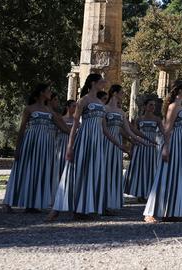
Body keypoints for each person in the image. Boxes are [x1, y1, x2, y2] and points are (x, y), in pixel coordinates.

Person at [48, 74, 126, 220]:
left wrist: (119, 145)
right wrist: (70, 147)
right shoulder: (83, 100)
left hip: (97, 142)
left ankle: (85, 208)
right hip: (84, 139)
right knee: (77, 172)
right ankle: (60, 209)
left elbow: (104, 129)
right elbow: (75, 125)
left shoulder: (101, 104)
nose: (104, 82)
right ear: (93, 83)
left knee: (92, 172)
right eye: (101, 81)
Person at [144, 80, 182, 222]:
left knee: (177, 177)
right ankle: (151, 212)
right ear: (179, 91)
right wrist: (165, 147)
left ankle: (173, 211)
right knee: (165, 175)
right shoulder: (173, 107)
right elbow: (167, 128)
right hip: (173, 144)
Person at [2, 84, 69, 213]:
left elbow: (63, 127)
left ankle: (32, 203)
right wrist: (17, 148)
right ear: (41, 93)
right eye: (48, 91)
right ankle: (8, 202)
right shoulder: (29, 109)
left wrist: (76, 134)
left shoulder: (50, 111)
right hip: (30, 143)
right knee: (24, 169)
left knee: (39, 171)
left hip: (45, 145)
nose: (50, 93)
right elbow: (22, 129)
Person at [103, 84, 153, 213]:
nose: (123, 95)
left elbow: (130, 131)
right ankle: (101, 202)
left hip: (117, 145)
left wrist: (144, 141)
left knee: (114, 171)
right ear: (114, 93)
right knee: (104, 170)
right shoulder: (104, 109)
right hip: (105, 142)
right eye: (121, 93)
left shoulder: (121, 112)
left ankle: (110, 203)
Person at [125, 97, 163, 202]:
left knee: (151, 168)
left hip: (152, 145)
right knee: (140, 168)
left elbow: (163, 132)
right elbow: (133, 134)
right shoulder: (139, 119)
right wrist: (132, 148)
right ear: (145, 106)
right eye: (150, 105)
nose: (152, 107)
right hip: (140, 146)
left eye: (154, 105)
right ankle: (139, 193)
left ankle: (150, 192)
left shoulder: (157, 119)